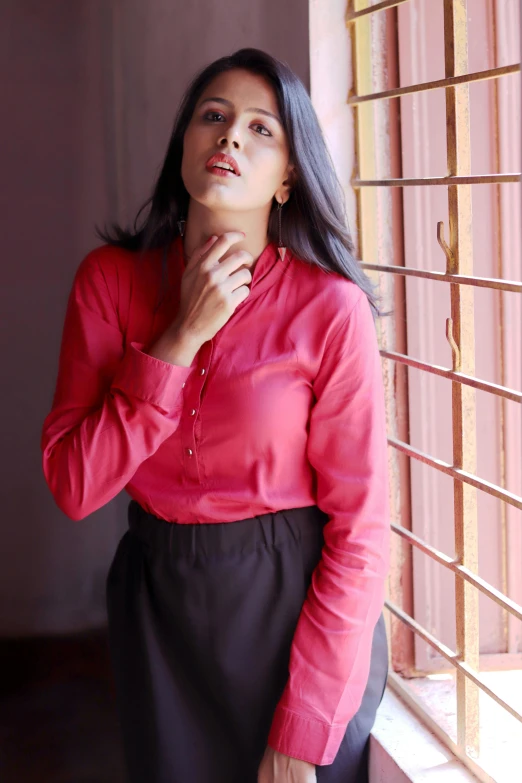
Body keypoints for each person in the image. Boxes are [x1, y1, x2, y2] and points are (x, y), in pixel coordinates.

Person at [41, 48, 390, 783]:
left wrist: (302, 726)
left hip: (296, 614)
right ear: (184, 150)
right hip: (158, 609)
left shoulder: (331, 310)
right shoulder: (109, 283)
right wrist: (177, 341)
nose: (231, 138)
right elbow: (75, 486)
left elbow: (361, 535)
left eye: (262, 129)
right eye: (214, 117)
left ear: (289, 176)